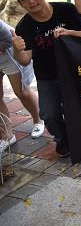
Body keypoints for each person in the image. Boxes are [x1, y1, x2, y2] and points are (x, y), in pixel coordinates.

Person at [11, 0, 81, 157]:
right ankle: (63, 140)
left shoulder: (67, 9)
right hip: (47, 76)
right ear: (21, 4)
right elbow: (25, 60)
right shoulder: (24, 27)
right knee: (49, 114)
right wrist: (17, 49)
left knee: (78, 108)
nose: (31, 1)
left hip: (74, 69)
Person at [0, 20, 43, 152]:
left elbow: (12, 39)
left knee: (21, 92)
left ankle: (38, 120)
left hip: (9, 57)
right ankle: (7, 136)